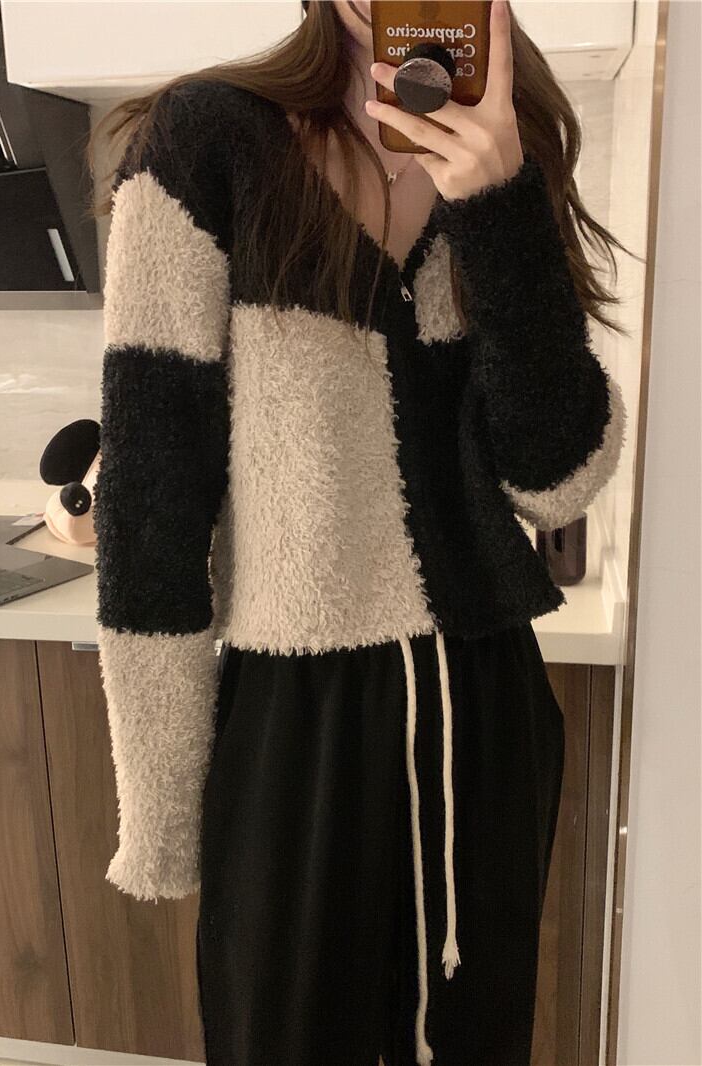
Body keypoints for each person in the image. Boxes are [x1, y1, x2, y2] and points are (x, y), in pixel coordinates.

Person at [88, 1, 628, 1063]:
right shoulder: (209, 140)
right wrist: (162, 805)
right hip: (295, 716)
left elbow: (557, 482)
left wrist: (500, 205)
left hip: (486, 708)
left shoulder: (511, 148)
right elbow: (153, 505)